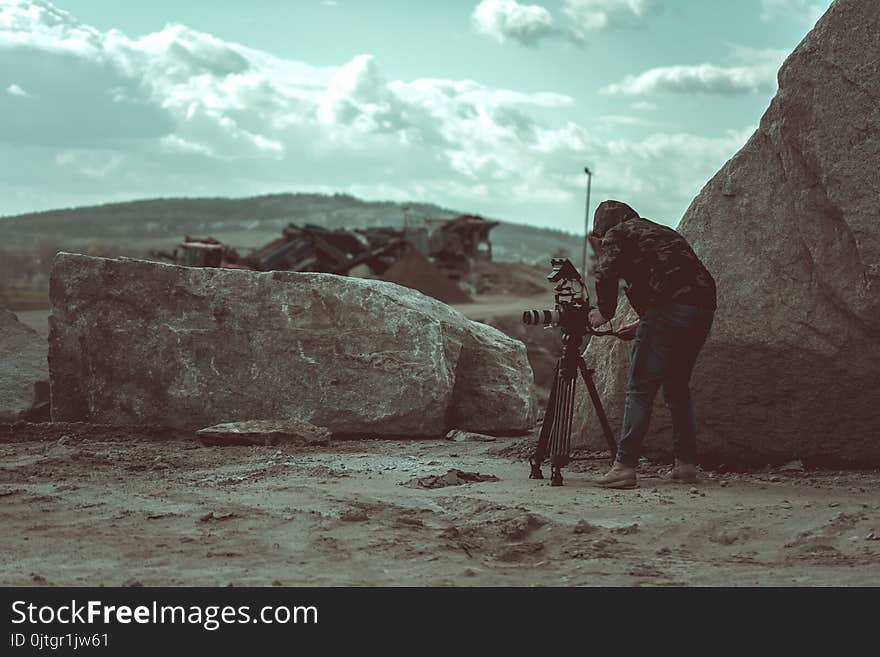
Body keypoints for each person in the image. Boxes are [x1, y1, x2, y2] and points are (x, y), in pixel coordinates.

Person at [586, 200, 716, 489]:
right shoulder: (661, 232)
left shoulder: (617, 234)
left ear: (605, 227)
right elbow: (668, 275)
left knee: (639, 389)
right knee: (677, 389)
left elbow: (606, 273)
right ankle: (686, 466)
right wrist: (646, 321)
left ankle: (624, 467)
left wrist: (603, 312)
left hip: (669, 310)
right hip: (702, 309)